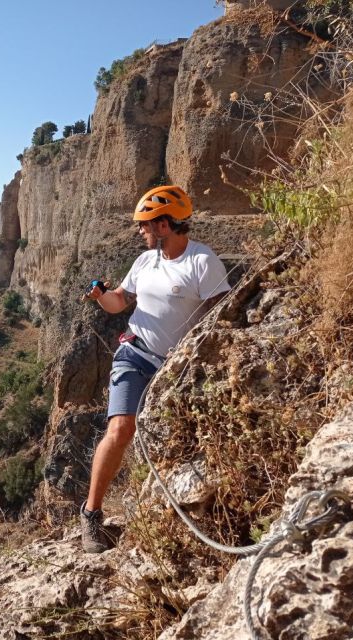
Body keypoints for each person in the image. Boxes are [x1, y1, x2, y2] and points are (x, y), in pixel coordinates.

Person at [79, 185, 231, 553]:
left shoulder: (202, 262)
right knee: (121, 428)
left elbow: (223, 313)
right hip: (135, 355)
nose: (140, 232)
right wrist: (102, 296)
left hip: (177, 368)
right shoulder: (145, 262)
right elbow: (120, 302)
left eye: (145, 225)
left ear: (164, 225)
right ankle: (91, 517)